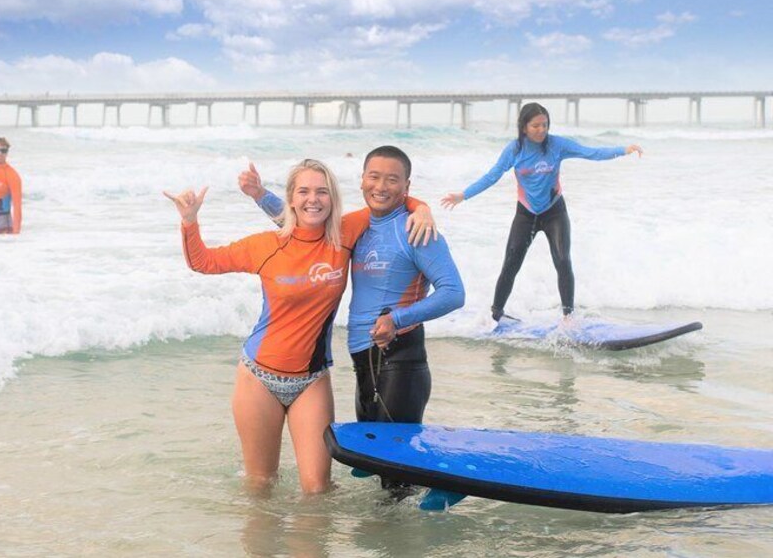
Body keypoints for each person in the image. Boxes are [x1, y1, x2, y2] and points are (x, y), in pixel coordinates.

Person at [165, 159, 432, 495]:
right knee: (261, 485)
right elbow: (203, 262)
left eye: (322, 192)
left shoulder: (345, 234)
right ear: (290, 199)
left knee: (318, 489)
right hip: (258, 378)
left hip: (312, 381)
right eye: (304, 191)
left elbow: (387, 196)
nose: (313, 199)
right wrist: (189, 221)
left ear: (332, 199)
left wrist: (421, 209)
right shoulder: (265, 245)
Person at [241, 146, 465, 495]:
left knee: (396, 475)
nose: (381, 186)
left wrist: (398, 318)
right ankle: (381, 540)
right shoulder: (353, 228)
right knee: (378, 467)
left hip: (400, 358)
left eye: (393, 180)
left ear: (406, 184)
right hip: (365, 361)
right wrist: (259, 195)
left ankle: (404, 539)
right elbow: (303, 220)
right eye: (374, 177)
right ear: (361, 180)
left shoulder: (416, 230)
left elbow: (453, 292)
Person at [441, 102, 642, 321]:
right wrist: (464, 195)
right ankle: (496, 315)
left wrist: (623, 150)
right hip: (526, 214)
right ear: (524, 127)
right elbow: (492, 176)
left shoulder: (557, 145)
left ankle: (568, 317)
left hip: (554, 212)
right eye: (536, 125)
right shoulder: (515, 150)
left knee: (563, 260)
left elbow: (591, 152)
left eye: (545, 125)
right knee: (511, 263)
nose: (541, 130)